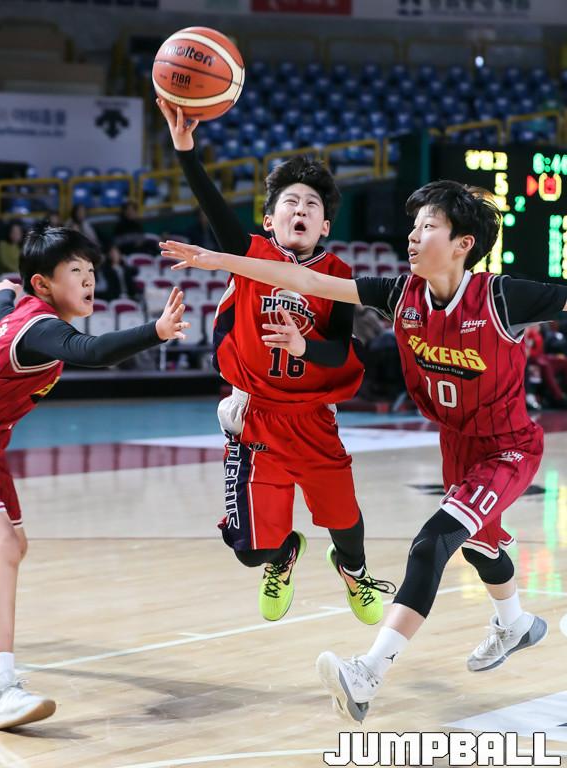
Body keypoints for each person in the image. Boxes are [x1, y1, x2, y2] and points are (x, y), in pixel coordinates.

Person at [162, 179, 567, 721]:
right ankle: (514, 623)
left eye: (428, 227)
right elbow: (306, 279)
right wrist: (222, 260)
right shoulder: (400, 294)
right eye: (413, 226)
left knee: (431, 544)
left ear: (463, 244)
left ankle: (367, 673)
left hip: (507, 447)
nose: (413, 236)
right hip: (456, 443)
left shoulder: (501, 297)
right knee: (479, 545)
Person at [157, 98, 394, 626]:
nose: (301, 209)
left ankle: (353, 570)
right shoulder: (250, 255)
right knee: (250, 551)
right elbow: (213, 205)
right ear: (269, 220)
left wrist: (303, 347)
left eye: (312, 204)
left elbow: (341, 350)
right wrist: (186, 151)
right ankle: (283, 554)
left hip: (312, 418)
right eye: (291, 201)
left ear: (325, 225)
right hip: (256, 417)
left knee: (344, 522)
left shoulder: (338, 275)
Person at [0, 222, 188, 730]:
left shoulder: (24, 314)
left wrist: (3, 293)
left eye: (90, 270)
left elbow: (3, 311)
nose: (89, 279)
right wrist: (154, 332)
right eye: (75, 271)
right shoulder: (42, 328)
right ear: (44, 284)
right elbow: (93, 352)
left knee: (11, 546)